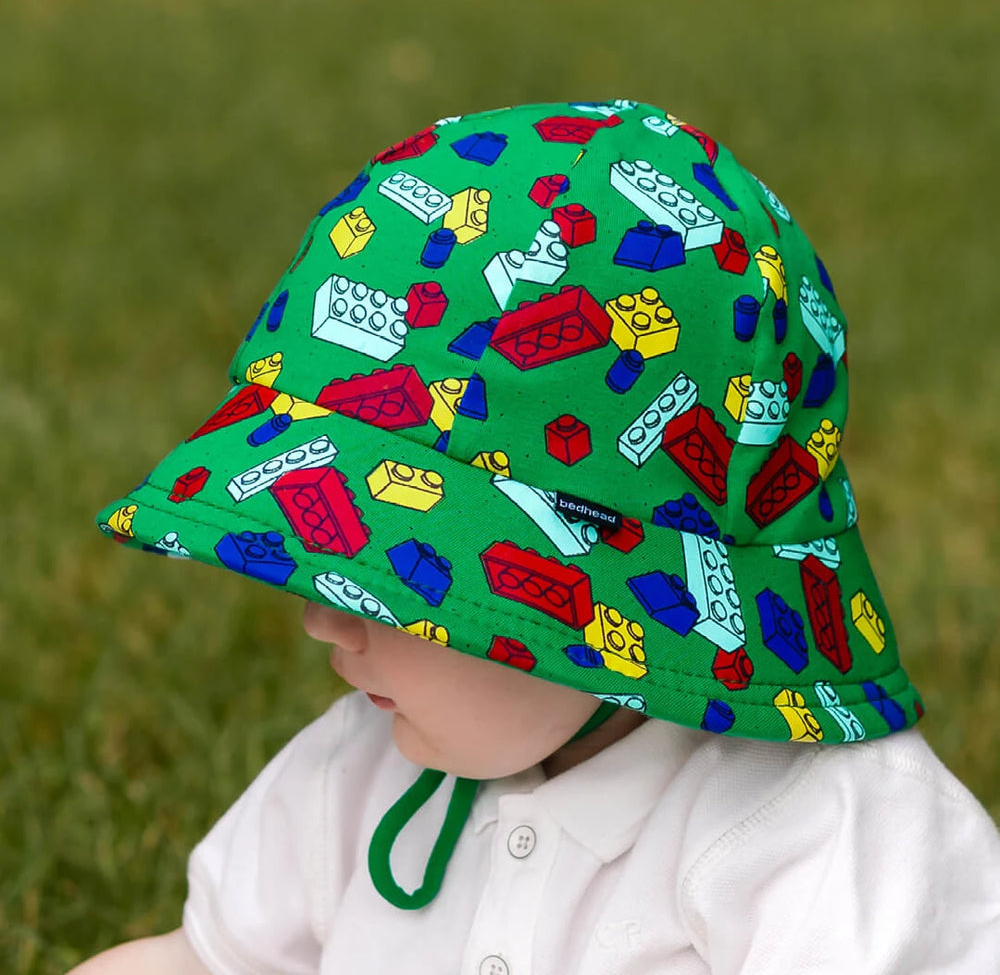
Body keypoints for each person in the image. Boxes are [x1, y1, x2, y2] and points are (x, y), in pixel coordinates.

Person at [73, 99, 1000, 973]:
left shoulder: (829, 834)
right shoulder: (353, 776)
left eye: (396, 582)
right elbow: (207, 962)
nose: (325, 620)